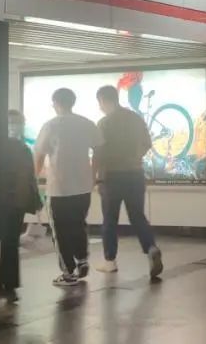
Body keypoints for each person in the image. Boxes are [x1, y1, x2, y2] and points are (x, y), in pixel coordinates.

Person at [34, 88, 103, 286]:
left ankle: (68, 274)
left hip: (59, 188)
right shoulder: (86, 123)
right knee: (78, 225)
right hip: (82, 187)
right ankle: (81, 260)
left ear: (55, 103)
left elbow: (39, 155)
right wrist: (93, 176)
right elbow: (99, 151)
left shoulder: (51, 125)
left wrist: (34, 178)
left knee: (60, 232)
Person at [94, 85, 163, 279]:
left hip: (111, 176)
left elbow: (98, 153)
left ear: (103, 100)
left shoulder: (104, 123)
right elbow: (147, 143)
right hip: (135, 174)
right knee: (137, 216)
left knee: (110, 219)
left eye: (100, 103)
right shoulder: (135, 118)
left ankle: (110, 261)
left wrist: (95, 177)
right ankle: (151, 247)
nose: (100, 107)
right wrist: (134, 157)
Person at [0, 110, 41, 302]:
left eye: (18, 123)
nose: (16, 126)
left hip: (8, 202)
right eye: (12, 122)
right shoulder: (20, 148)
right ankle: (9, 284)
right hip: (13, 202)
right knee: (9, 243)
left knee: (6, 243)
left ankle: (4, 283)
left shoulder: (8, 147)